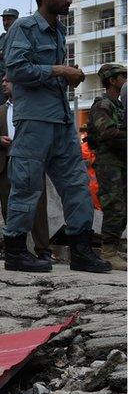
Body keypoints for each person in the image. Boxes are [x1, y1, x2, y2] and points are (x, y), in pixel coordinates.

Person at [2, 0, 109, 273]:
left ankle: (82, 251)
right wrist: (60, 71)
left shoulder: (59, 31)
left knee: (77, 184)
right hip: (34, 120)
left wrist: (64, 76)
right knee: (25, 184)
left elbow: (47, 73)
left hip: (61, 120)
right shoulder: (25, 27)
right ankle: (14, 252)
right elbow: (18, 69)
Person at [0, 74, 52, 261]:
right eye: (3, 81)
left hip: (32, 162)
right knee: (9, 207)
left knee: (38, 207)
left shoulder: (34, 107)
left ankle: (43, 251)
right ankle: (15, 249)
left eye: (8, 80)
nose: (4, 83)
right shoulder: (0, 111)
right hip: (7, 164)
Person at [87, 63, 126, 270]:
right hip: (108, 163)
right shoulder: (103, 105)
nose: (126, 79)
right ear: (112, 80)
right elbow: (108, 133)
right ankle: (108, 251)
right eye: (123, 76)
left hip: (120, 161)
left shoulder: (119, 105)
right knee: (114, 207)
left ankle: (114, 248)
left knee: (124, 209)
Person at [0, 8, 19, 108]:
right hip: (1, 75)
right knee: (0, 106)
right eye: (4, 20)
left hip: (17, 74)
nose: (5, 22)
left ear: (16, 20)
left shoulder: (23, 36)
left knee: (19, 103)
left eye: (9, 19)